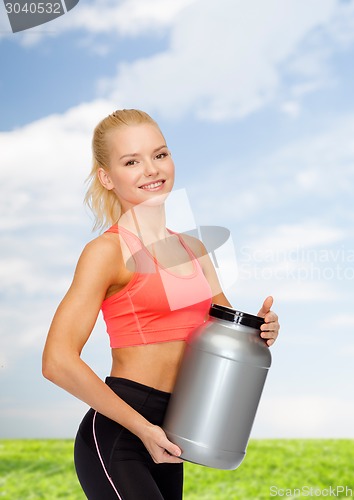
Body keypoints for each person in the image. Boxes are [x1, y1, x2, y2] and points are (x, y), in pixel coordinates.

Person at [42, 109, 280, 500]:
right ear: (107, 177)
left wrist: (262, 328)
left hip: (174, 432)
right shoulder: (107, 252)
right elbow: (57, 361)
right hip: (122, 433)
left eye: (160, 154)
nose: (151, 169)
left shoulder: (193, 249)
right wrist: (143, 428)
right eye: (131, 161)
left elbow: (223, 336)